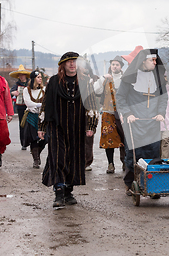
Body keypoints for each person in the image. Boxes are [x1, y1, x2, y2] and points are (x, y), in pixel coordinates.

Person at [38, 52, 99, 207]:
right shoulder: (54, 81)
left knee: (74, 158)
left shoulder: (85, 82)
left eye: (75, 62)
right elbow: (45, 104)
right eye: (69, 62)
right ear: (63, 65)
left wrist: (91, 126)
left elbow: (92, 104)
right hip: (57, 125)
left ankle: (68, 191)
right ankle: (58, 192)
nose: (72, 64)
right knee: (58, 157)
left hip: (77, 126)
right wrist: (42, 126)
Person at [116, 49, 167, 196]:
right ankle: (130, 184)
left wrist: (160, 113)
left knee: (153, 154)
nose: (155, 62)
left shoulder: (158, 78)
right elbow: (120, 98)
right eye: (152, 60)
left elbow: (163, 98)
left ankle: (153, 186)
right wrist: (128, 113)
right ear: (143, 61)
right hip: (134, 122)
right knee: (133, 154)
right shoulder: (130, 77)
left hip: (152, 122)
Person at [94, 56, 126, 174]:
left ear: (121, 67)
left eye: (117, 64)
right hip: (108, 112)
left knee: (124, 138)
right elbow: (96, 90)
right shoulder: (105, 79)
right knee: (109, 140)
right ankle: (110, 164)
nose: (115, 66)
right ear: (110, 66)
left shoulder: (125, 79)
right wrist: (102, 78)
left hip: (122, 113)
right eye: (113, 64)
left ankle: (125, 162)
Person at [23, 70, 47, 169]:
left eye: (41, 77)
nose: (40, 79)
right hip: (32, 116)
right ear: (33, 79)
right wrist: (41, 105)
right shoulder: (26, 90)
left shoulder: (44, 90)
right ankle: (36, 160)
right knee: (33, 139)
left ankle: (37, 153)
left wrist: (40, 106)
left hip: (42, 117)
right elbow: (28, 103)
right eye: (38, 77)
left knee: (45, 139)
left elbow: (48, 102)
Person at [10, 64, 31, 150]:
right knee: (22, 125)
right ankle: (23, 143)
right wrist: (13, 93)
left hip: (29, 107)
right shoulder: (16, 85)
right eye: (19, 75)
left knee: (30, 125)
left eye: (22, 75)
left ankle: (30, 141)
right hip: (20, 107)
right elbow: (11, 91)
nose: (21, 76)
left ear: (25, 75)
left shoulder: (30, 83)